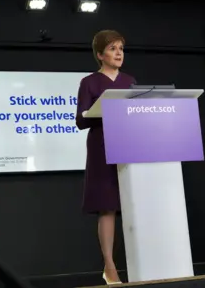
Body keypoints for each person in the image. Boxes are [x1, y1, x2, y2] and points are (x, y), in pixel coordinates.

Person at [75, 30, 136, 284]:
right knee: (108, 206)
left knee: (134, 206)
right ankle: (110, 266)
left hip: (132, 145)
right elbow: (81, 119)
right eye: (112, 48)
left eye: (121, 47)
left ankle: (139, 261)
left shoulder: (131, 80)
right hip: (102, 147)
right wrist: (104, 109)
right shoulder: (89, 82)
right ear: (100, 55)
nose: (119, 52)